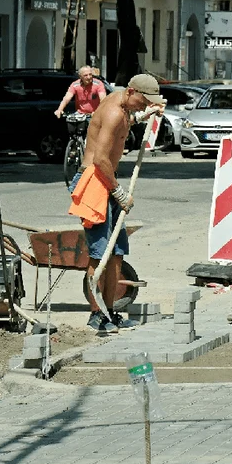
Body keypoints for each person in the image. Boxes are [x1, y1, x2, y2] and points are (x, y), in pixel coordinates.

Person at [67, 74, 165, 333]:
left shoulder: (124, 107)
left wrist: (146, 115)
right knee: (100, 252)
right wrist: (118, 192)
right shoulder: (111, 111)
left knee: (117, 250)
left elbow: (127, 121)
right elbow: (100, 159)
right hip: (95, 182)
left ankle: (110, 311)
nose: (144, 105)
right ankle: (96, 314)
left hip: (108, 180)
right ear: (132, 91)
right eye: (143, 101)